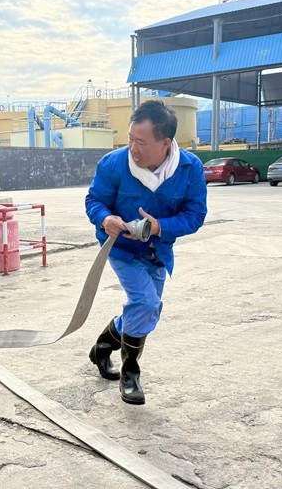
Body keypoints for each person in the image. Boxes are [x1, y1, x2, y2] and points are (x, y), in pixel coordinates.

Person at [85, 100, 207, 405]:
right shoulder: (113, 164)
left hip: (158, 251)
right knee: (146, 302)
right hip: (121, 249)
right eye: (129, 138)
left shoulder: (190, 169)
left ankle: (102, 346)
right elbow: (94, 201)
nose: (133, 148)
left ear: (165, 143)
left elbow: (195, 214)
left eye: (140, 142)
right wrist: (105, 218)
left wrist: (159, 227)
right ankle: (130, 373)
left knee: (147, 309)